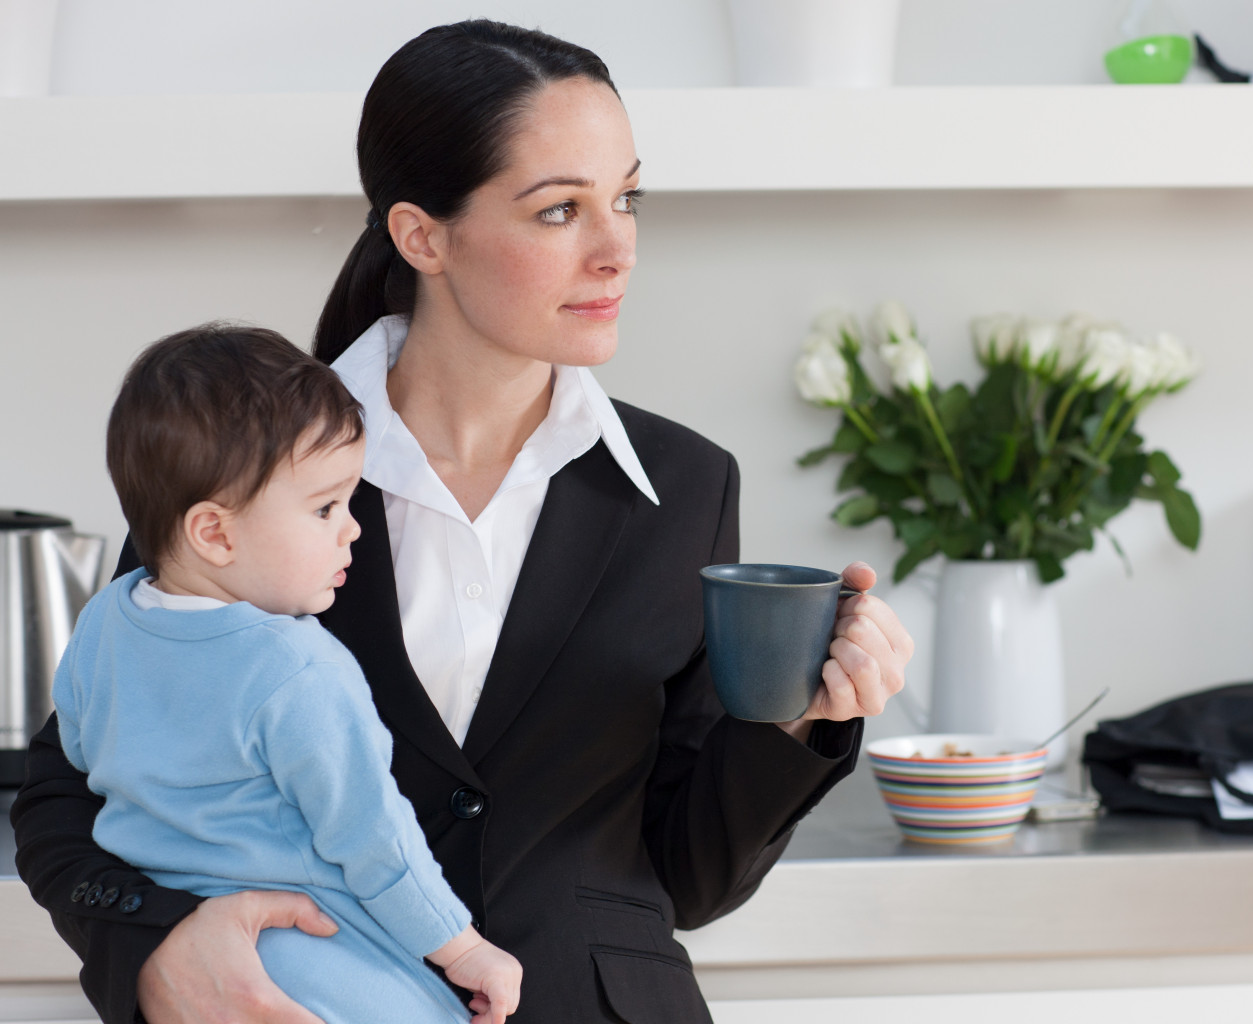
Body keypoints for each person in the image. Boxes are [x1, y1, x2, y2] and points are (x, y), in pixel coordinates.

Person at [11, 20, 914, 1024]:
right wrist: (155, 951)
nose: (616, 248)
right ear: (421, 235)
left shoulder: (686, 487)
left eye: (627, 199)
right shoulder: (240, 466)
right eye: (560, 209)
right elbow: (62, 802)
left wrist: (800, 723)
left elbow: (690, 880)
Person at [54, 325, 522, 1024]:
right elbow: (373, 839)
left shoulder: (104, 622)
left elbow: (83, 754)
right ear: (214, 533)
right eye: (325, 507)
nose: (352, 529)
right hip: (323, 956)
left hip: (199, 959)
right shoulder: (299, 666)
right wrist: (462, 950)